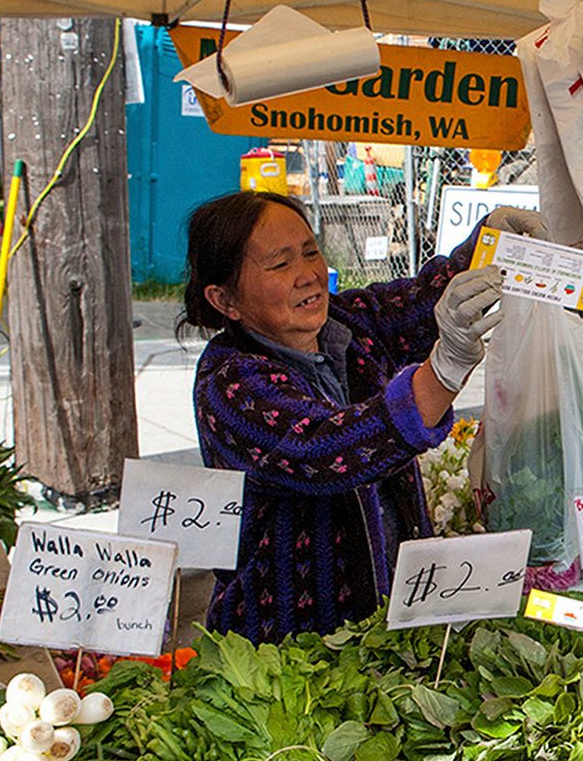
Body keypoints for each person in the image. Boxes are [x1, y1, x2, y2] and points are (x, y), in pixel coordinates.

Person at [179, 192, 537, 643]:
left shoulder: (349, 325)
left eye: (311, 252)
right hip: (288, 647)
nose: (307, 274)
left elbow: (422, 300)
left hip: (390, 622)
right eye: (279, 264)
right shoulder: (229, 382)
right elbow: (327, 449)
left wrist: (491, 243)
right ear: (225, 300)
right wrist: (443, 372)